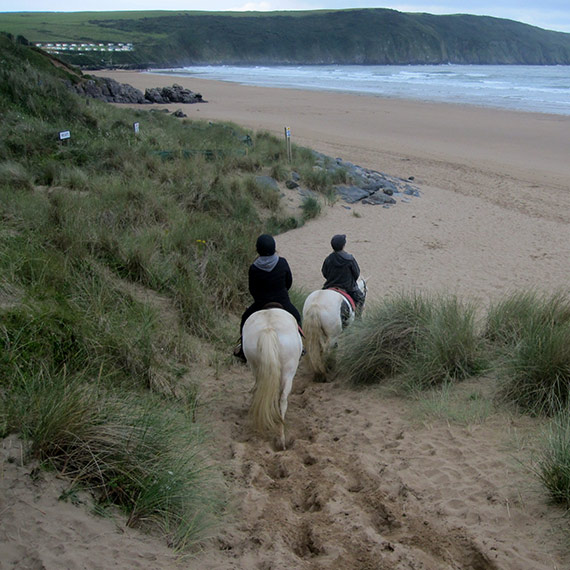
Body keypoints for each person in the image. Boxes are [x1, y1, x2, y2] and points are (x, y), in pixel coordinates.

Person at [233, 234, 302, 362]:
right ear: (274, 247)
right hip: (282, 301)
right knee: (297, 316)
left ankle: (243, 348)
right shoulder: (282, 262)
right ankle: (300, 345)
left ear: (258, 249)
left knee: (244, 319)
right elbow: (289, 282)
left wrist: (260, 298)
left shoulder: (254, 267)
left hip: (260, 303)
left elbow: (252, 289)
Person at [321, 234, 365, 313]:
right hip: (347, 287)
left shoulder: (328, 259)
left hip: (330, 285)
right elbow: (356, 273)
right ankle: (358, 318)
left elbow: (324, 272)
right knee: (360, 298)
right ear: (343, 245)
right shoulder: (349, 258)